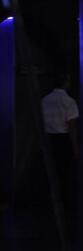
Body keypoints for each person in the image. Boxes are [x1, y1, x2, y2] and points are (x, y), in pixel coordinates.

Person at [41, 72, 78, 215]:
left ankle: (51, 204)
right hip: (63, 139)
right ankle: (65, 205)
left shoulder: (45, 100)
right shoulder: (68, 101)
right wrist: (75, 146)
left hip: (49, 139)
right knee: (65, 174)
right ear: (66, 82)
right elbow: (71, 126)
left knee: (52, 172)